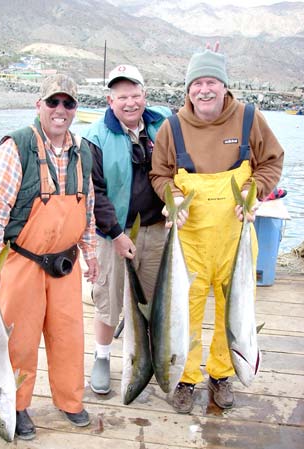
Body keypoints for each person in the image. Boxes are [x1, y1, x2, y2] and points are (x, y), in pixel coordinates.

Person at [150, 46, 284, 413]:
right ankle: (186, 378)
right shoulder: (171, 126)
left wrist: (255, 187)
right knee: (185, 311)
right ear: (188, 89)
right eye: (197, 83)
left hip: (235, 236)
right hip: (189, 240)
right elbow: (159, 174)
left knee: (234, 310)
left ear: (225, 86)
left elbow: (272, 161)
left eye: (211, 82)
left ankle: (222, 375)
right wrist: (171, 196)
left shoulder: (249, 118)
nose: (204, 90)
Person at [0, 74, 99, 440]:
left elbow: (87, 209)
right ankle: (16, 405)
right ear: (39, 105)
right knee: (19, 339)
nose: (60, 110)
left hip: (66, 263)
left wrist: (91, 255)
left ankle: (70, 401)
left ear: (75, 109)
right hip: (23, 262)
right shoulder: (18, 146)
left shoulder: (83, 151)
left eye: (68, 103)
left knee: (68, 335)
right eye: (53, 102)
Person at [82, 64, 172, 395]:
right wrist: (117, 235)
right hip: (113, 234)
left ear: (145, 96)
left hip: (156, 229)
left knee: (153, 300)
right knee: (108, 300)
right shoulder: (94, 137)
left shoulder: (164, 123)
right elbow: (96, 194)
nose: (130, 103)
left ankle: (144, 358)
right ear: (110, 100)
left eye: (135, 95)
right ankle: (102, 357)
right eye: (122, 97)